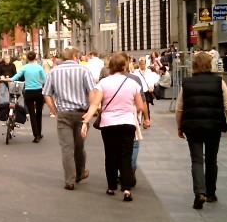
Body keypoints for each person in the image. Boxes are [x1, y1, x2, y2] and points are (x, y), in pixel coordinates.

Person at [81, 53, 150, 202]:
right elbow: (140, 106)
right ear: (124, 65)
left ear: (110, 66)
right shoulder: (132, 83)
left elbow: (95, 104)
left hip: (108, 124)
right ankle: (127, 189)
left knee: (111, 155)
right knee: (126, 156)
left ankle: (111, 187)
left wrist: (86, 120)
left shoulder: (104, 83)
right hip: (128, 123)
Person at [175, 52, 227, 209]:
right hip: (214, 126)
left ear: (194, 65)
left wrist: (179, 126)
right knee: (211, 160)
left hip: (193, 127)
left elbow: (179, 108)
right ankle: (211, 193)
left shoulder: (187, 83)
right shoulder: (219, 82)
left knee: (196, 160)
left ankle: (199, 193)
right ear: (210, 65)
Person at [42, 47, 95, 190]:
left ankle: (69, 180)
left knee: (67, 148)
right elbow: (92, 91)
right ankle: (80, 172)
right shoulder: (84, 70)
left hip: (63, 114)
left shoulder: (54, 72)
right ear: (75, 56)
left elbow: (46, 94)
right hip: (81, 113)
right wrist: (91, 110)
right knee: (79, 146)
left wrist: (54, 110)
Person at [9, 51, 46, 143]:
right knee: (39, 113)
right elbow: (45, 79)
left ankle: (36, 135)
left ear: (27, 58)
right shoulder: (39, 67)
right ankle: (39, 132)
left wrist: (8, 79)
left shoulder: (24, 67)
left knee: (32, 114)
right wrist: (40, 83)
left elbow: (16, 77)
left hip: (28, 91)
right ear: (35, 57)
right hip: (38, 91)